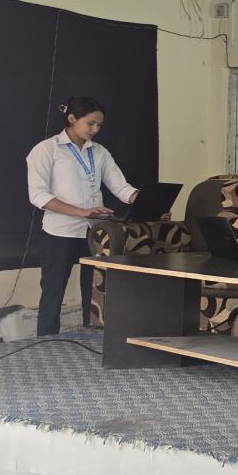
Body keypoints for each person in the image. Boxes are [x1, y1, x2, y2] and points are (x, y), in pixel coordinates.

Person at [26, 97, 140, 336]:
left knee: (95, 293)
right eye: (90, 123)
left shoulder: (99, 152)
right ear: (71, 119)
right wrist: (82, 212)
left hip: (95, 232)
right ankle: (45, 343)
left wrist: (145, 202)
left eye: (99, 125)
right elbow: (38, 196)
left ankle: (93, 341)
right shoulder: (46, 149)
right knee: (53, 293)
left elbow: (121, 187)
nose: (95, 130)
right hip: (60, 233)